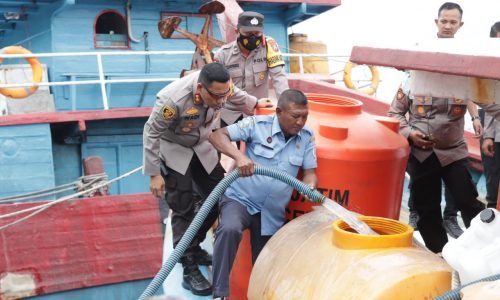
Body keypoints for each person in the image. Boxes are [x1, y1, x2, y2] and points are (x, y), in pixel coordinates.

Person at [142, 62, 258, 296]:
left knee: (220, 198)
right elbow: (151, 132)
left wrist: (257, 105)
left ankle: (192, 245)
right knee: (183, 208)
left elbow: (237, 95)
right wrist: (154, 174)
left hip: (203, 146)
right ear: (200, 89)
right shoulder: (172, 101)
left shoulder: (221, 88)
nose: (221, 101)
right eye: (216, 97)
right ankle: (189, 267)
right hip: (176, 149)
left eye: (224, 94)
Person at [388, 2, 484, 253]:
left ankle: (483, 250)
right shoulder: (413, 77)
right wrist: (409, 134)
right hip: (422, 153)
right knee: (426, 207)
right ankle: (441, 253)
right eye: (444, 21)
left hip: (454, 150)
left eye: (453, 22)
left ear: (460, 25)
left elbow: (484, 99)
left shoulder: (465, 75)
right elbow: (395, 113)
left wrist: (476, 118)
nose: (448, 25)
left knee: (468, 201)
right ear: (437, 22)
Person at [208, 89, 317, 299]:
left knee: (265, 265)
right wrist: (239, 157)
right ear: (279, 112)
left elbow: (311, 173)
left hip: (271, 213)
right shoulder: (257, 125)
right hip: (240, 200)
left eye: (305, 116)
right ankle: (220, 293)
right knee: (229, 229)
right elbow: (217, 136)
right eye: (296, 116)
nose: (301, 122)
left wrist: (309, 187)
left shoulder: (306, 138)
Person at [215, 11, 289, 128]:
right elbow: (224, 87)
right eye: (248, 33)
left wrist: (287, 107)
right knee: (223, 142)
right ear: (237, 31)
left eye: (257, 33)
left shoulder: (269, 48)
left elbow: (279, 77)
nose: (253, 37)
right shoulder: (223, 55)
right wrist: (253, 103)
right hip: (229, 114)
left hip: (258, 113)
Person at [478, 21, 500, 209]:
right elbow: (487, 104)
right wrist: (488, 135)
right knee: (493, 184)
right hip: (495, 132)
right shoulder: (487, 66)